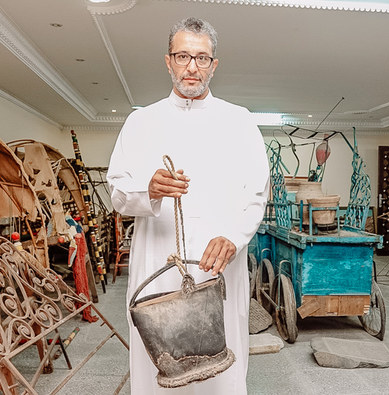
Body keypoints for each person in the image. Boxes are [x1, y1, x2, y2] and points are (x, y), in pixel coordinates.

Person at [106, 17, 269, 395]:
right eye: (183, 56)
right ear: (168, 61)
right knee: (158, 369)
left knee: (222, 371)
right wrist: (149, 190)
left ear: (215, 65)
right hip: (157, 265)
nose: (192, 67)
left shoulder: (240, 122)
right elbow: (117, 191)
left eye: (202, 58)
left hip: (218, 266)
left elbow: (256, 192)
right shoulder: (140, 122)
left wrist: (234, 235)